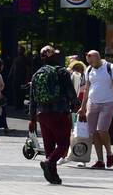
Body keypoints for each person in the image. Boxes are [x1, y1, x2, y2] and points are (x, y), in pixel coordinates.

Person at [28, 45, 78, 185]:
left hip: (42, 114)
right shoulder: (62, 71)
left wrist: (32, 119)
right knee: (63, 144)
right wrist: (76, 105)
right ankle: (49, 162)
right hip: (59, 112)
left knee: (49, 145)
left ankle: (53, 176)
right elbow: (70, 92)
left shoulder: (37, 74)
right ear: (53, 56)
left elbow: (32, 98)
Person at [83, 49, 113, 169]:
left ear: (98, 58)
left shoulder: (111, 68)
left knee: (102, 130)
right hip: (92, 103)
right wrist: (82, 106)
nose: (91, 64)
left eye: (92, 62)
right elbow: (87, 88)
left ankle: (109, 153)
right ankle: (100, 160)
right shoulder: (89, 69)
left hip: (107, 103)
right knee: (93, 131)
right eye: (89, 62)